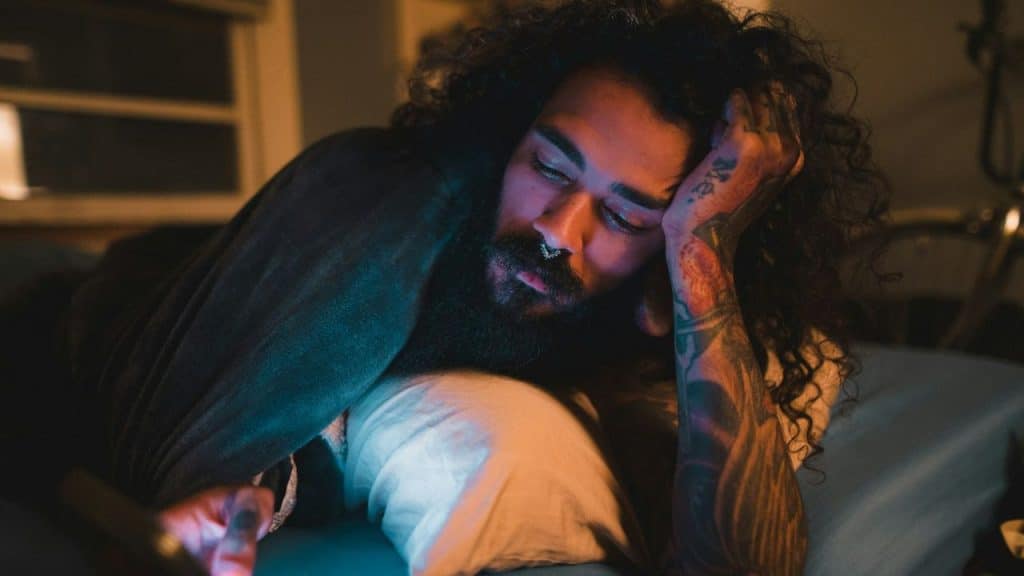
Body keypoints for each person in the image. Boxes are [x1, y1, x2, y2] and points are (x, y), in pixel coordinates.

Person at [0, 1, 887, 574]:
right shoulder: (391, 200)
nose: (558, 227)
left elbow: (744, 568)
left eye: (624, 216)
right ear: (508, 138)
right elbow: (259, 386)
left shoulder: (649, 314)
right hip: (101, 304)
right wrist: (240, 492)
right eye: (549, 166)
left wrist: (703, 250)